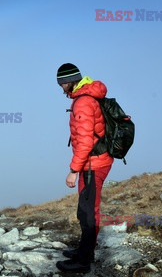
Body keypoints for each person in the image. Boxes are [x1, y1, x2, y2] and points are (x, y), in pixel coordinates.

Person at [55, 63, 114, 273]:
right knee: (85, 211)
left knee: (88, 213)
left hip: (93, 164)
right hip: (94, 162)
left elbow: (86, 141)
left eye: (61, 83)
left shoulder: (83, 103)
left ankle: (83, 262)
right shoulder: (87, 97)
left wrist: (73, 171)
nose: (60, 88)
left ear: (69, 82)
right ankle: (84, 250)